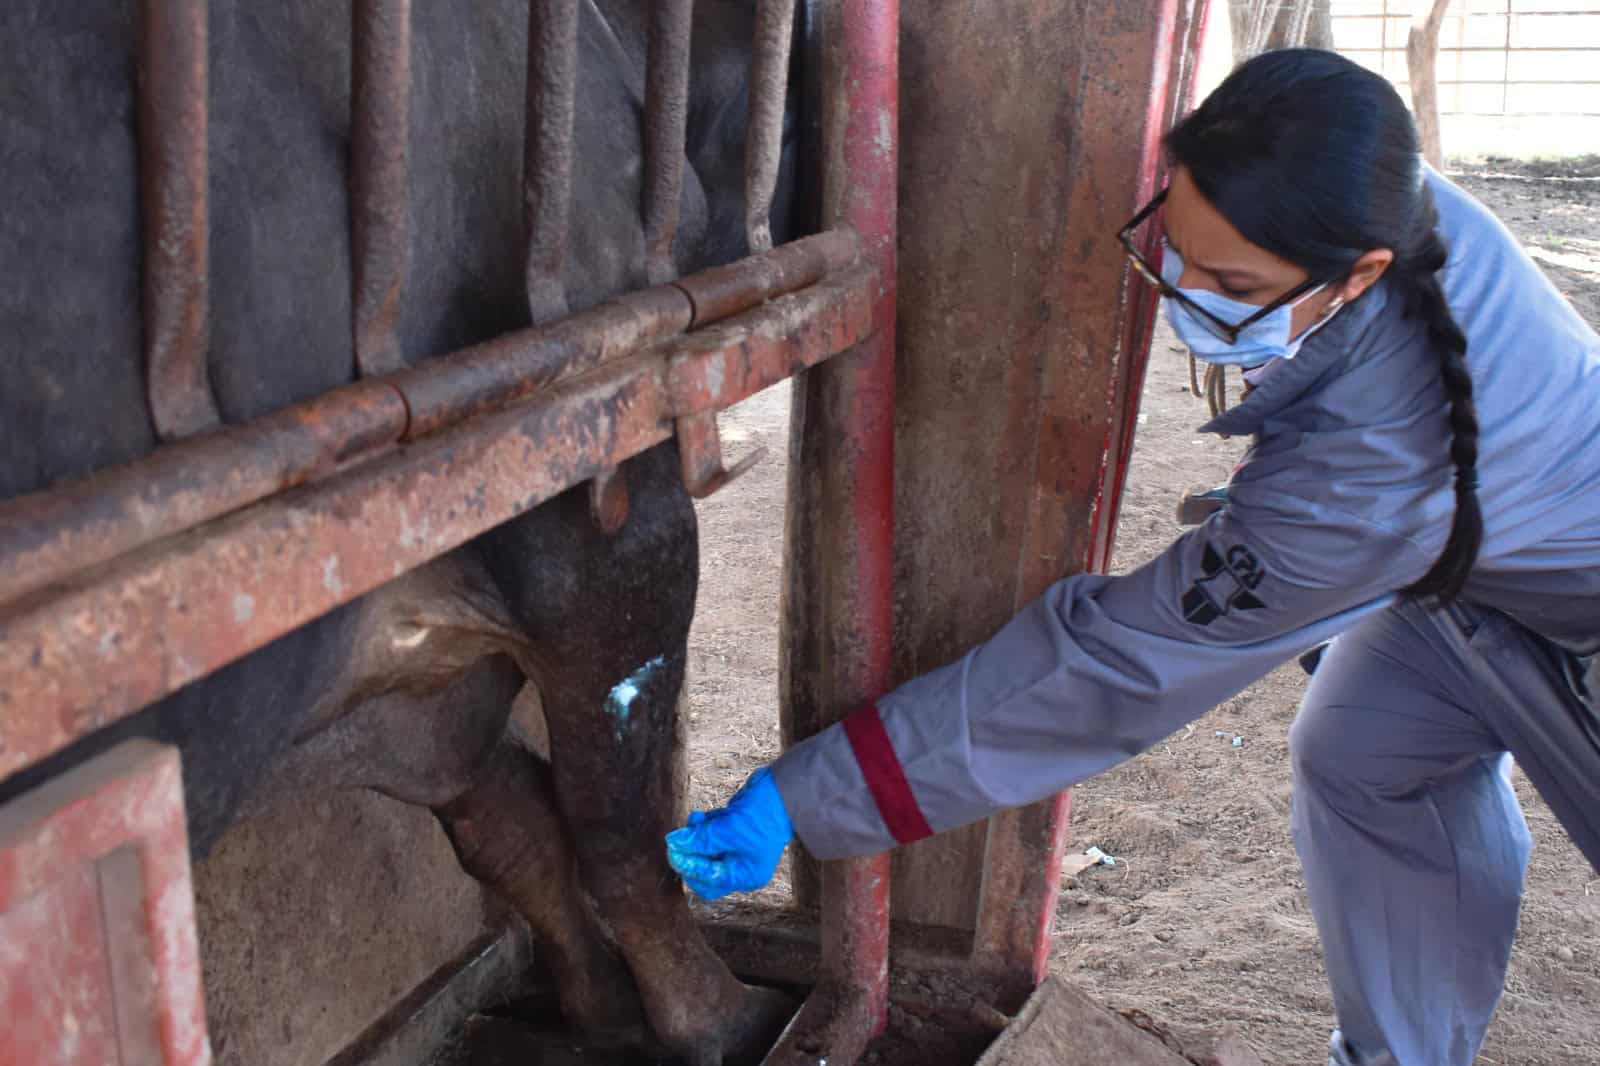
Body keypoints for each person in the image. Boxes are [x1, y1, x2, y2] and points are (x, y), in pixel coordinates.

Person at [665, 48, 1600, 1066]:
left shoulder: (1371, 472)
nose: (1186, 290)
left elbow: (1110, 669)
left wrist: (810, 791)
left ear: (1358, 272)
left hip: (1565, 610)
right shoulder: (1371, 197)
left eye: (1231, 282)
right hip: (1480, 580)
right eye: (1180, 247)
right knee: (1365, 753)